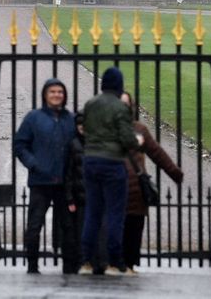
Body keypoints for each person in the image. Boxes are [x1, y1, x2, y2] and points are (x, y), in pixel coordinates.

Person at [78, 66, 139, 276]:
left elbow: (85, 129)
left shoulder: (91, 103)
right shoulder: (120, 107)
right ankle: (115, 263)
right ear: (119, 84)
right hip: (112, 162)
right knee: (115, 214)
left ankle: (86, 261)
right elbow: (127, 138)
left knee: (93, 213)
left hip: (90, 160)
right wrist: (136, 141)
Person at [13, 78, 77, 274]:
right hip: (41, 180)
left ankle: (69, 266)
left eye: (60, 92)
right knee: (34, 225)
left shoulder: (71, 119)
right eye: (52, 92)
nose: (57, 95)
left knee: (68, 226)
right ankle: (32, 266)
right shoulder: (34, 118)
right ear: (45, 95)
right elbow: (20, 144)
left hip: (64, 182)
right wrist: (33, 164)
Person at [120, 92, 183, 274]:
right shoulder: (108, 128)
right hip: (114, 186)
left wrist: (175, 173)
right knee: (116, 226)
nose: (124, 107)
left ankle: (129, 264)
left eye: (127, 104)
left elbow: (157, 153)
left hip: (136, 187)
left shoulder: (140, 129)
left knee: (134, 227)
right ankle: (117, 263)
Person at [63, 111, 86, 274]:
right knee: (76, 231)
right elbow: (69, 174)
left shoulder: (95, 144)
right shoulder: (73, 144)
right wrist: (70, 198)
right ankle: (78, 262)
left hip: (91, 196)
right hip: (78, 196)